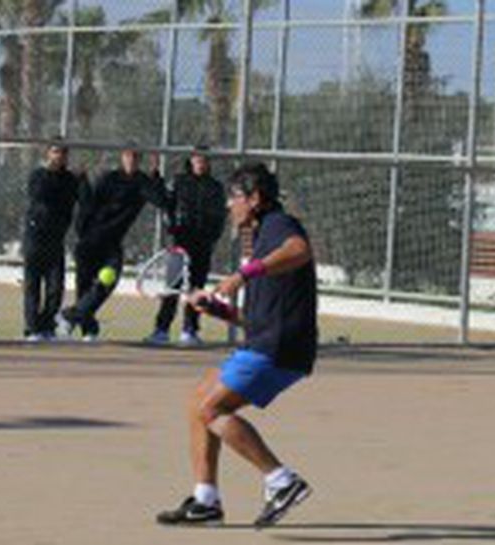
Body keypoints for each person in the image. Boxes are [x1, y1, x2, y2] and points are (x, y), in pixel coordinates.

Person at [156, 163, 318, 528]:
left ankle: (281, 480)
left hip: (279, 347)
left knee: (211, 410)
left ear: (255, 198)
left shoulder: (278, 225)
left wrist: (243, 274)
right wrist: (218, 310)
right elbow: (255, 319)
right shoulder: (261, 238)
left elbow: (299, 249)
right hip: (267, 340)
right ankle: (205, 501)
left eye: (235, 197)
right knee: (199, 400)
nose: (230, 205)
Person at [57, 142, 170, 341]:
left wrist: (156, 177)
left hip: (112, 242)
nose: (131, 160)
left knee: (109, 281)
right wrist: (83, 182)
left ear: (140, 160)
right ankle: (88, 331)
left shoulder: (142, 182)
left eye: (136, 157)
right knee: (84, 288)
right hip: (91, 238)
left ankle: (69, 316)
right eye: (128, 156)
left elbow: (162, 201)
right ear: (122, 157)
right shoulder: (109, 178)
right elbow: (89, 204)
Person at [146, 147, 227, 347]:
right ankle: (161, 330)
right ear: (191, 161)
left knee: (196, 288)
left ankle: (190, 330)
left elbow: (220, 216)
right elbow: (162, 202)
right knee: (172, 286)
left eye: (205, 159)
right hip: (180, 243)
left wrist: (211, 238)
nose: (201, 163)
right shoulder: (179, 182)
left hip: (203, 244)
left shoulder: (215, 187)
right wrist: (155, 178)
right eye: (197, 159)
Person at [22, 139, 82, 342]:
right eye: (56, 151)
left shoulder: (70, 179)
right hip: (35, 238)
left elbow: (85, 201)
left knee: (56, 288)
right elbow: (39, 195)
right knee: (33, 286)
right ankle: (32, 329)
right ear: (48, 153)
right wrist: (51, 172)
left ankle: (47, 326)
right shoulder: (38, 175)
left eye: (63, 152)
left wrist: (83, 180)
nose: (60, 156)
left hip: (56, 240)